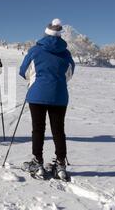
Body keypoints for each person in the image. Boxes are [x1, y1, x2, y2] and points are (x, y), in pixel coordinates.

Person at [19, 19, 75, 180]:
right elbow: (69, 74)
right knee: (58, 130)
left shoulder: (35, 50)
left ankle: (38, 162)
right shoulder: (66, 53)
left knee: (38, 128)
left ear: (45, 33)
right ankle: (60, 164)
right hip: (59, 95)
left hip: (37, 95)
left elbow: (24, 71)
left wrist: (34, 80)